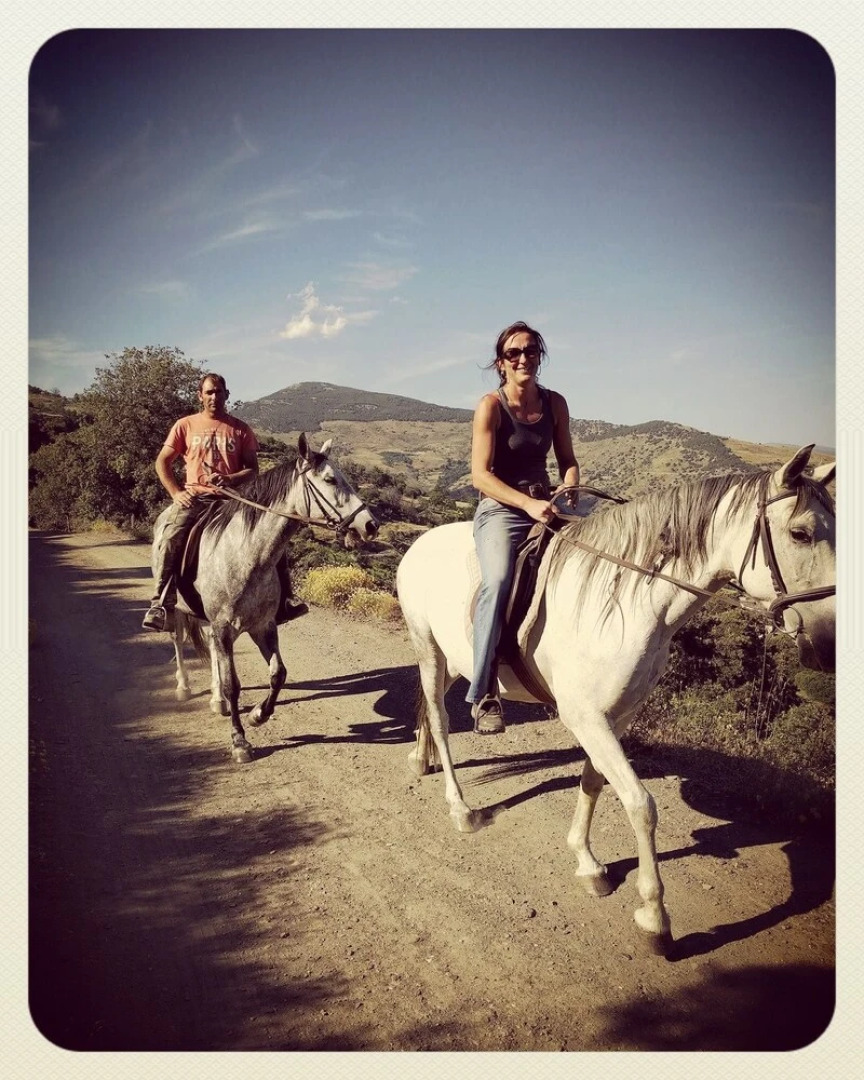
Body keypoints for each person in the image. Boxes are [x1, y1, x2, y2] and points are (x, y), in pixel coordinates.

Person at [467, 321, 580, 733]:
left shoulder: (555, 403)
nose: (522, 358)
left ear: (539, 356)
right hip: (501, 509)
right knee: (498, 580)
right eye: (513, 353)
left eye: (530, 351)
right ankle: (484, 693)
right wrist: (527, 503)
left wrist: (570, 485)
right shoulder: (490, 406)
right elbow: (480, 476)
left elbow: (567, 461)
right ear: (501, 363)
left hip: (546, 505)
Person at [142, 372, 306, 631]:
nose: (214, 396)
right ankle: (161, 603)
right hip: (196, 497)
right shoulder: (185, 425)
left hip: (234, 500)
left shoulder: (240, 429)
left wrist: (229, 479)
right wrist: (176, 493)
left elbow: (252, 469)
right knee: (171, 537)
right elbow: (162, 462)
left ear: (226, 395)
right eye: (209, 392)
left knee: (272, 538)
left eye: (218, 392)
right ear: (200, 396)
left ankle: (285, 600)